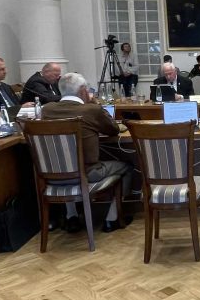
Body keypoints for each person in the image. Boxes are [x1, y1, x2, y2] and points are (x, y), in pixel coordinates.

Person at [40, 72, 133, 232]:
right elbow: (113, 129)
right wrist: (94, 103)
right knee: (127, 167)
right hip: (89, 174)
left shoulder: (47, 110)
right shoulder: (91, 110)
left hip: (53, 175)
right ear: (83, 90)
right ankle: (112, 219)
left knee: (67, 163)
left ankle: (72, 217)